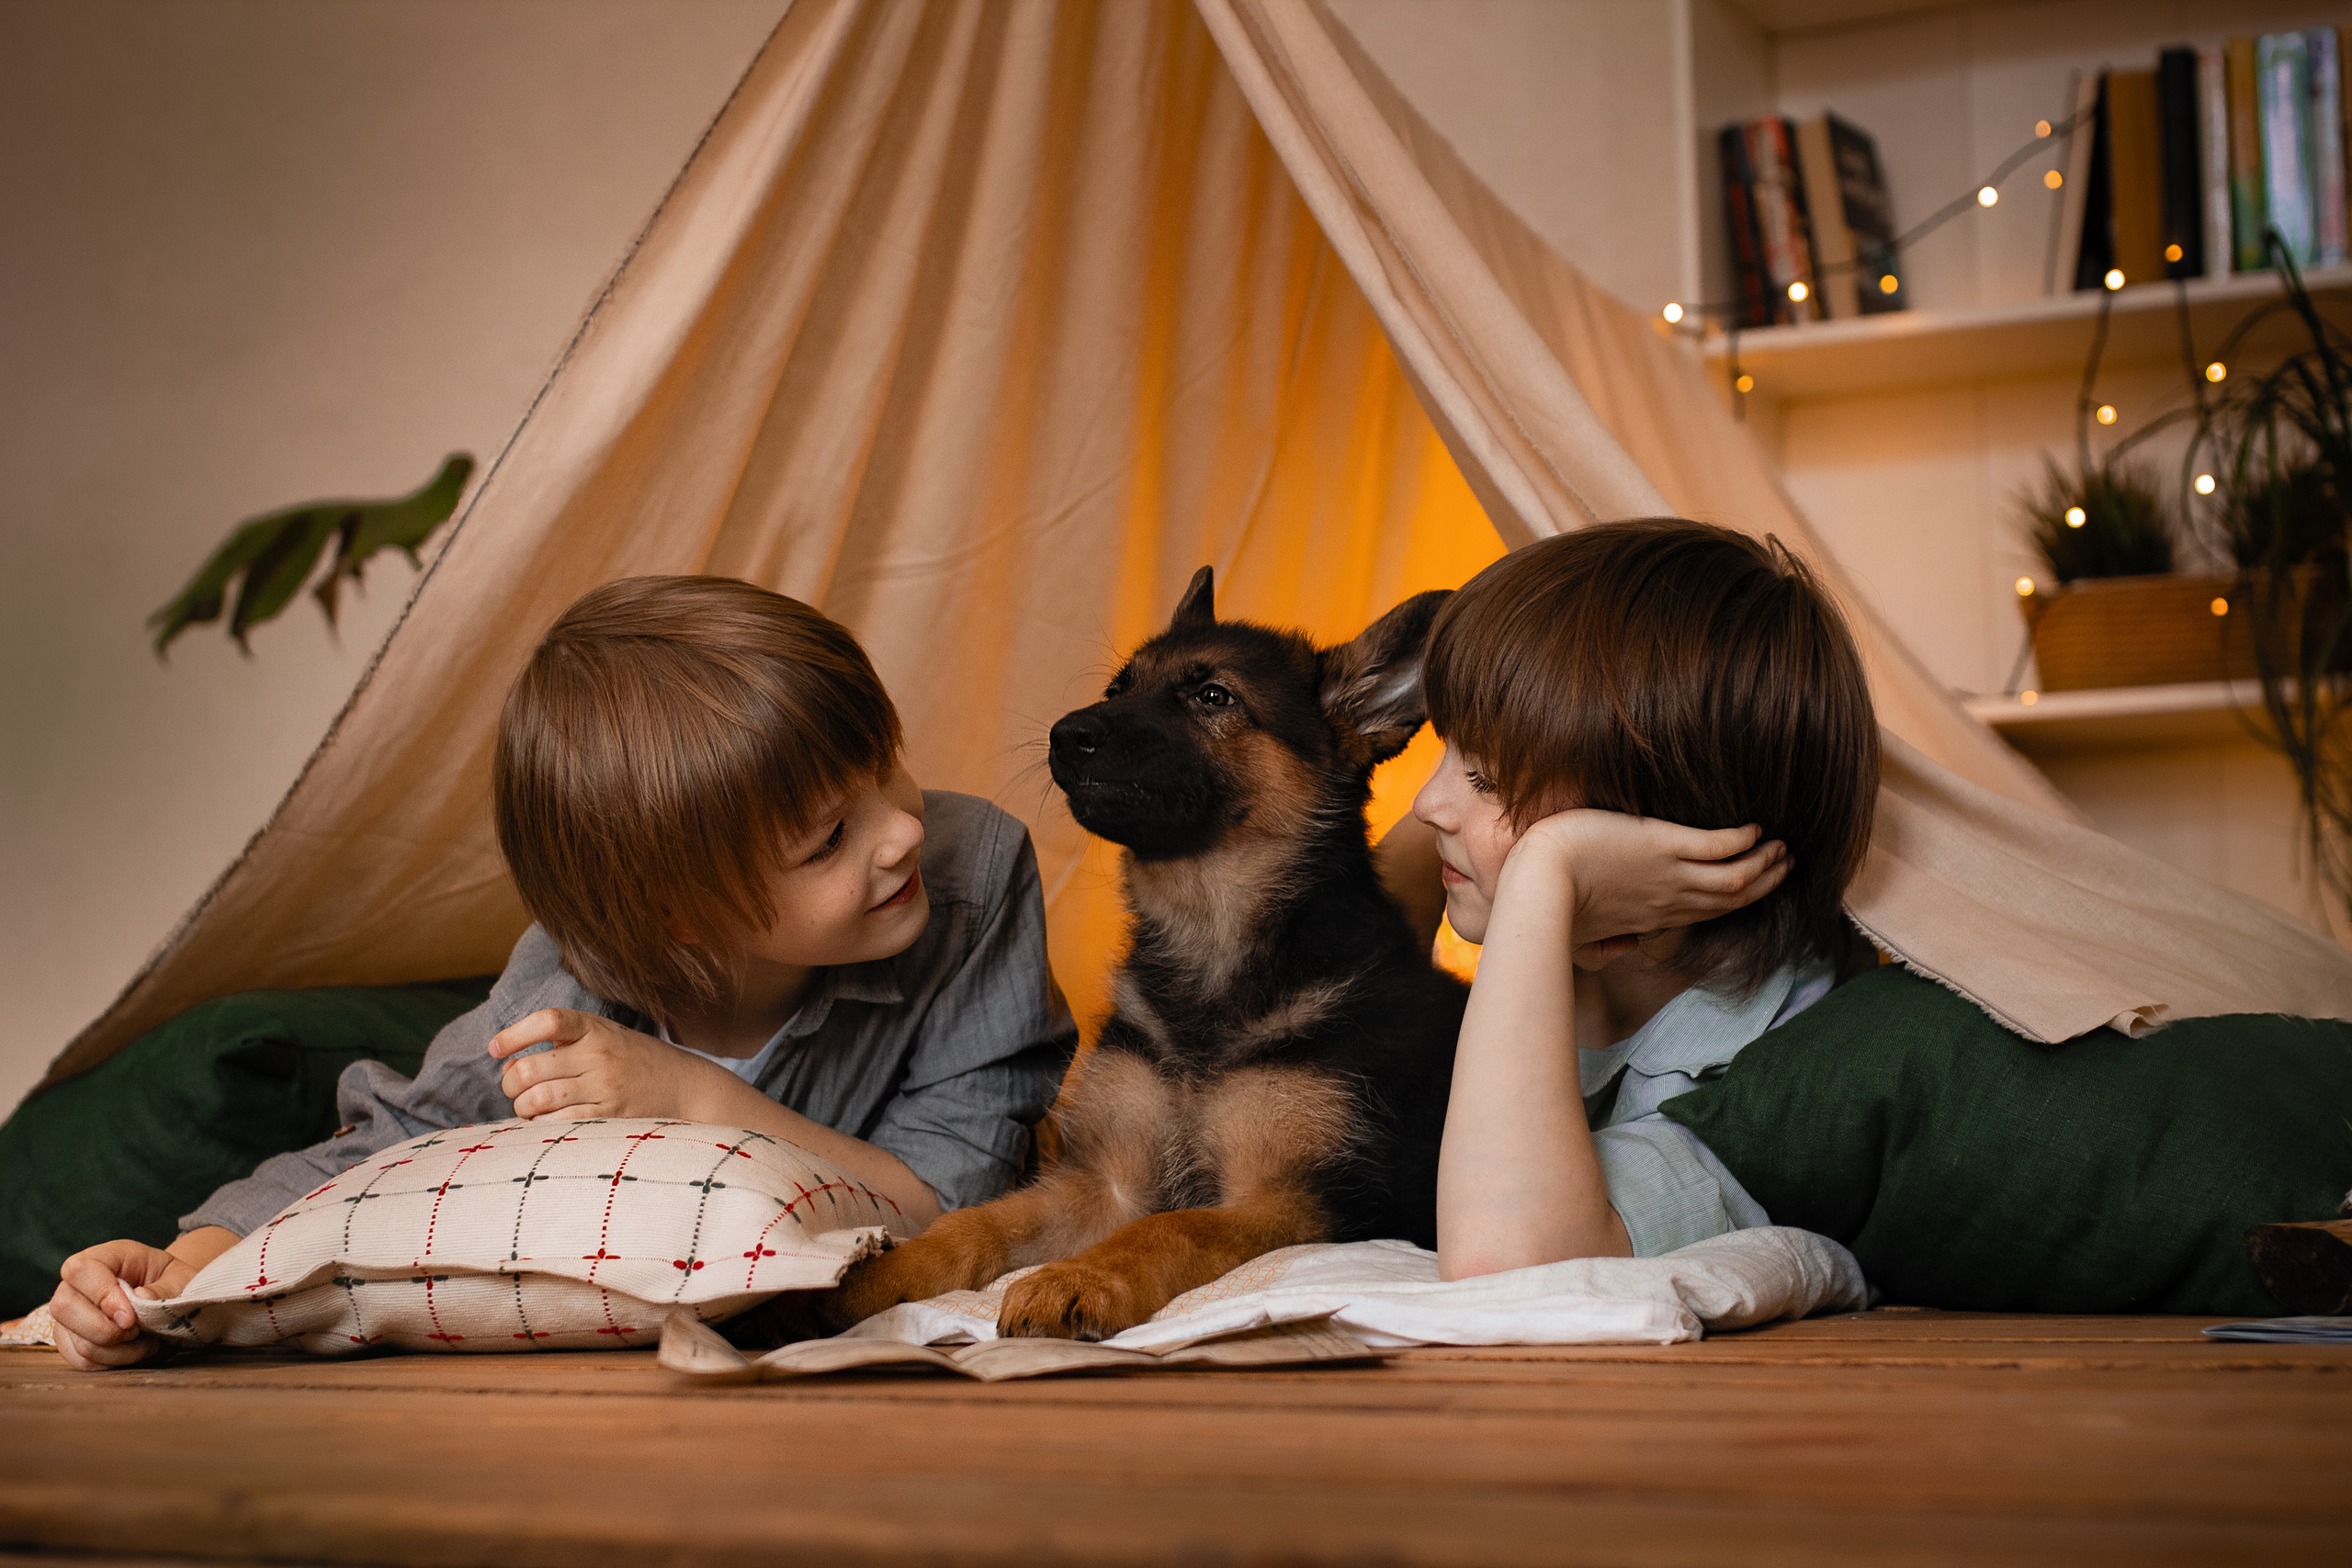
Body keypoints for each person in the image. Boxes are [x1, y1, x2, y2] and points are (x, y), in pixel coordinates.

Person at [51, 575, 1078, 1368]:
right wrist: (187, 1265)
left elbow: (952, 1201)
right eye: (827, 842)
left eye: (889, 762)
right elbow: (396, 1142)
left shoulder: (971, 877)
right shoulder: (575, 978)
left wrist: (693, 1098)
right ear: (680, 917)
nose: (902, 828)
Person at [1410, 520, 1877, 1280]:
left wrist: (1544, 872)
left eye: (1486, 777)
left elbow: (1509, 1261)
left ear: (1656, 831)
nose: (1428, 803)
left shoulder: (1764, 1085)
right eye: (1445, 747)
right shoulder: (1580, 968)